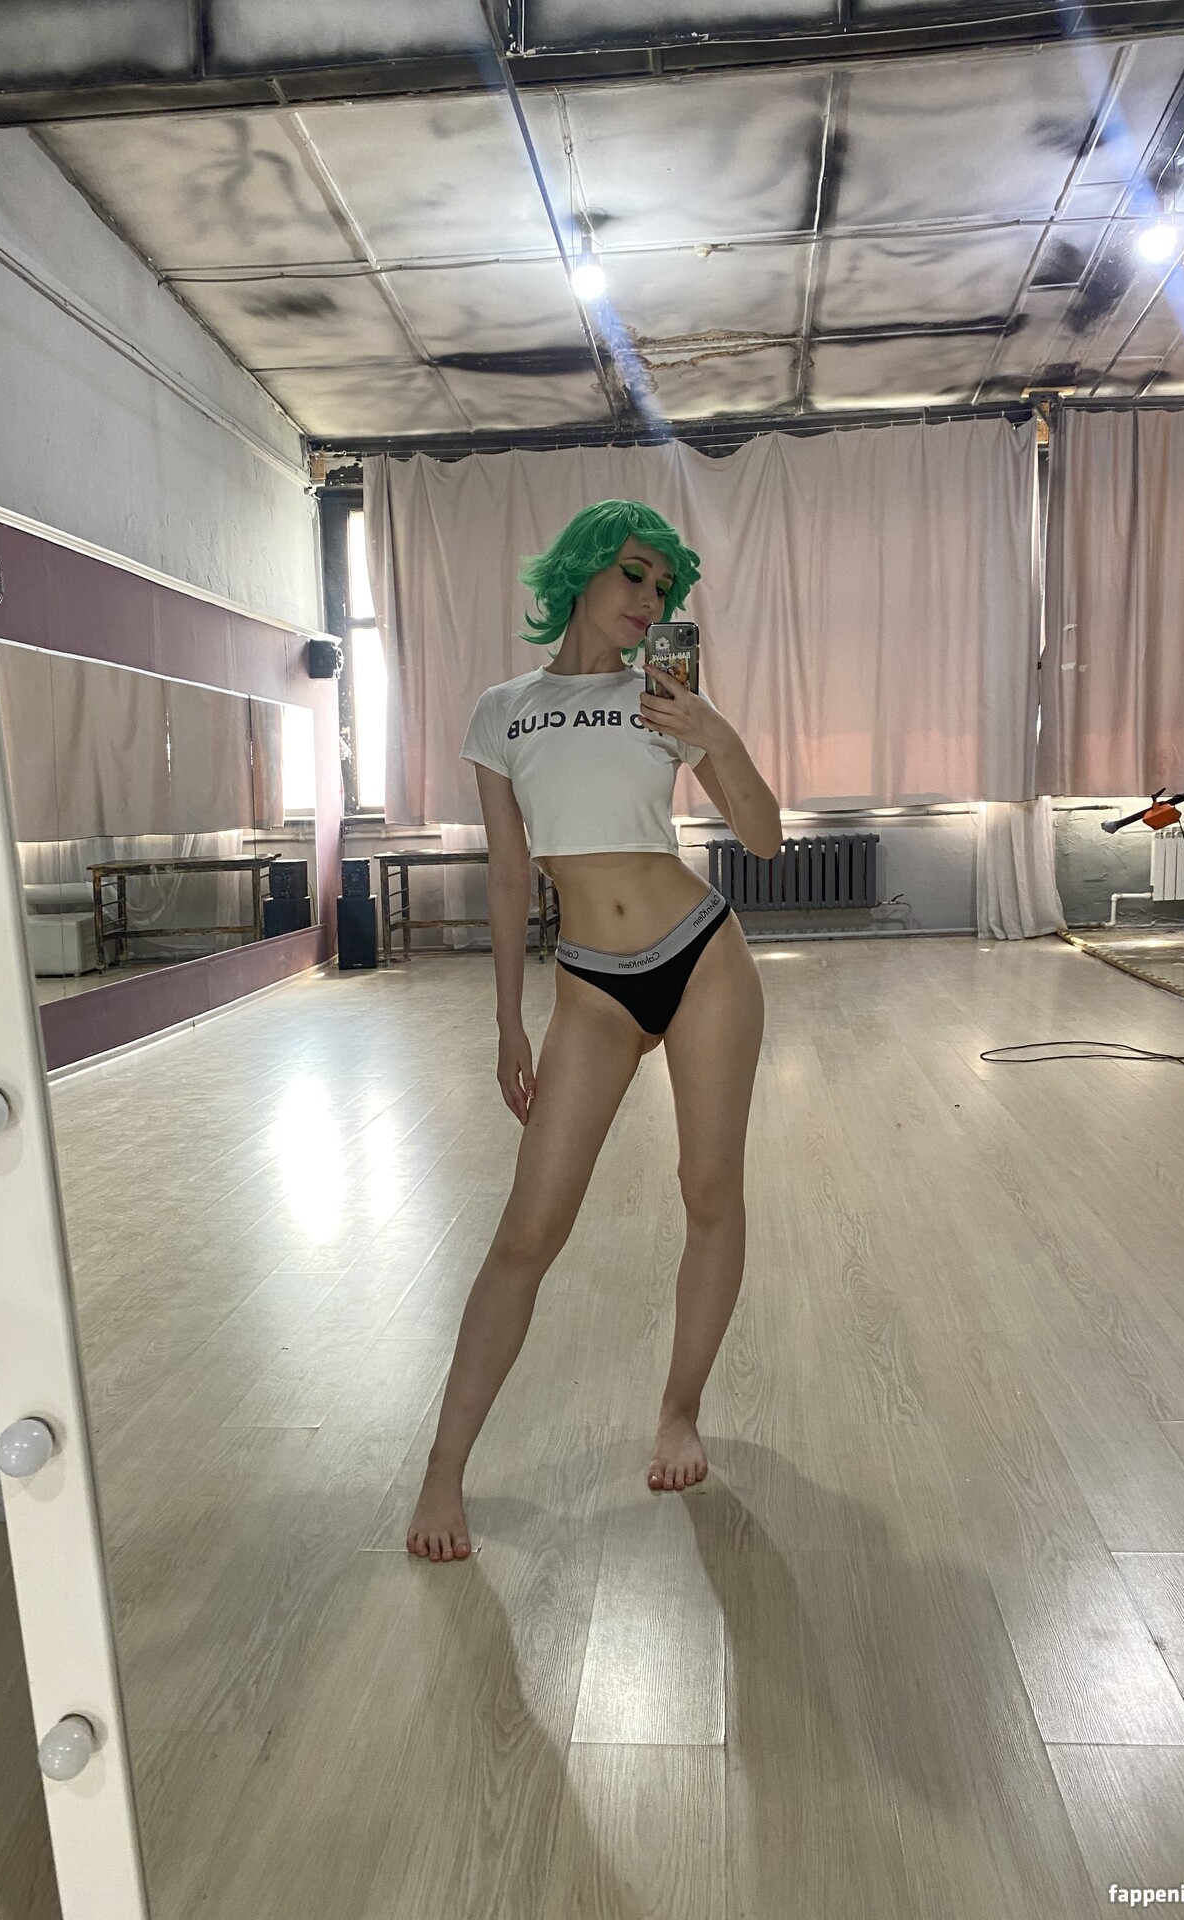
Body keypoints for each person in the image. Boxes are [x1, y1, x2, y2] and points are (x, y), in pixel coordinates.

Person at [407, 499, 782, 1562]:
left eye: (664, 586)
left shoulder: (663, 699)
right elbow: (510, 873)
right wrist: (507, 1019)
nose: (649, 599)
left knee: (708, 1191)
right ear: (580, 572)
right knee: (526, 1233)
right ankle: (444, 1470)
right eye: (633, 574)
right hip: (588, 989)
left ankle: (680, 1412)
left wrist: (715, 737)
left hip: (701, 958)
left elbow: (763, 837)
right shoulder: (503, 711)